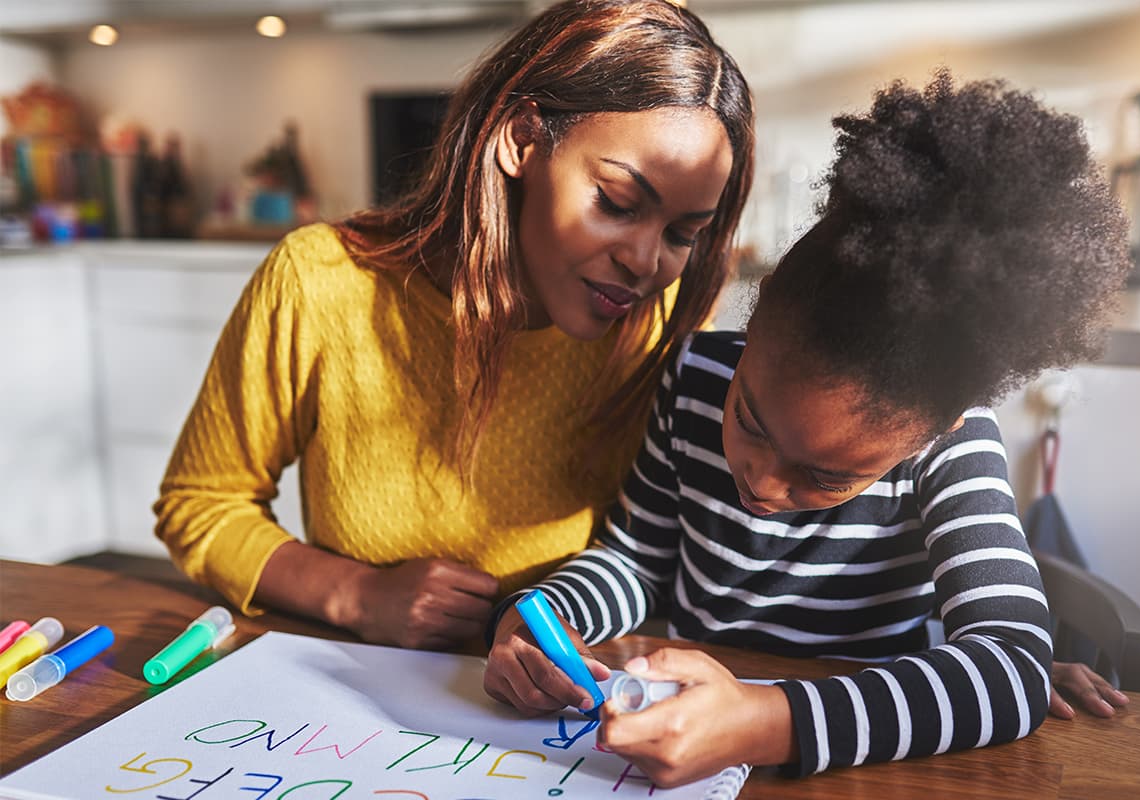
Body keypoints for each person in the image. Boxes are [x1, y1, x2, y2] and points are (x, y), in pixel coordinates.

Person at [483, 69, 1133, 784]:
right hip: (681, 738)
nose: (760, 480)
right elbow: (637, 559)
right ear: (754, 320)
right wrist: (545, 612)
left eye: (825, 475)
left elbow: (1010, 667)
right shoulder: (694, 373)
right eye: (752, 421)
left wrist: (763, 721)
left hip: (855, 764)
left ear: (928, 431)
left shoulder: (952, 444)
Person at [152, 0, 755, 651]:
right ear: (521, 140)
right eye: (616, 203)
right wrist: (355, 594)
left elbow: (661, 549)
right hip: (359, 686)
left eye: (682, 233)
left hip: (566, 701)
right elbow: (200, 504)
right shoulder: (320, 282)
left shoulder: (659, 319)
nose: (644, 261)